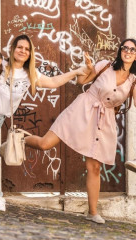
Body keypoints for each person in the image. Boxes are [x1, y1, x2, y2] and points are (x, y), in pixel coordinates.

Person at [0, 34, 92, 212]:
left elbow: (52, 82)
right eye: (20, 47)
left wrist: (75, 72)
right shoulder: (0, 65)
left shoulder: (30, 73)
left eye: (27, 49)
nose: (23, 51)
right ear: (12, 48)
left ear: (30, 53)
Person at [25, 38, 136, 224]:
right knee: (45, 144)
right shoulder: (105, 65)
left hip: (104, 120)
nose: (128, 51)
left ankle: (92, 212)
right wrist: (87, 68)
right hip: (82, 110)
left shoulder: (133, 80)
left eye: (133, 50)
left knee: (94, 166)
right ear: (120, 51)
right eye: (125, 48)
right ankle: (20, 140)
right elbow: (81, 81)